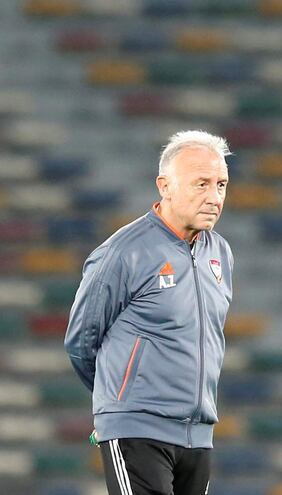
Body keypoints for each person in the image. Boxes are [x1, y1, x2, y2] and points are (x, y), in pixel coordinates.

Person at [64, 130, 234, 495]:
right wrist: (117, 403)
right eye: (201, 184)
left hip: (199, 434)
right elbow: (81, 340)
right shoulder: (124, 252)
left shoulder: (219, 252)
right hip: (138, 430)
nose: (214, 197)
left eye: (221, 185)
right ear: (165, 185)